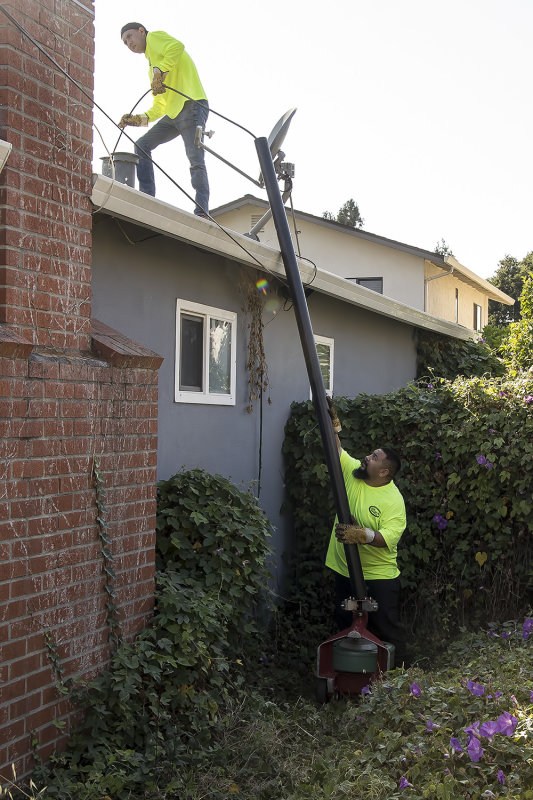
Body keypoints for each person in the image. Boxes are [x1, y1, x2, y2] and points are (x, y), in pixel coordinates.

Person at [325, 397, 408, 666]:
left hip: (378, 576)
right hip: (344, 568)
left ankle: (398, 679)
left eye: (373, 457)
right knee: (344, 628)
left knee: (385, 630)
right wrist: (332, 423)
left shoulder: (393, 500)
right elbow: (337, 450)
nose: (366, 458)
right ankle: (348, 675)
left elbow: (388, 539)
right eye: (370, 454)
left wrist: (364, 535)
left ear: (384, 471)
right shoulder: (354, 473)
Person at [118, 23, 210, 217]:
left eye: (130, 36)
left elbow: (177, 46)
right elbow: (160, 106)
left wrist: (161, 71)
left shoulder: (155, 38)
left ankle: (202, 210)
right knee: (142, 145)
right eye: (125, 42)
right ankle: (147, 197)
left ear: (142, 31)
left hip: (191, 104)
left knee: (195, 158)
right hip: (174, 113)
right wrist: (137, 119)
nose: (128, 43)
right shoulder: (151, 67)